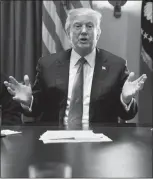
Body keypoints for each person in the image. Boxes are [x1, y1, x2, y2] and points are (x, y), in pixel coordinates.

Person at [4, 8, 147, 128]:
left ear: (98, 33)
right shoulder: (47, 64)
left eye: (90, 26)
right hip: (56, 138)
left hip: (100, 139)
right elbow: (36, 109)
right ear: (68, 33)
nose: (83, 31)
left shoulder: (116, 65)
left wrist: (126, 100)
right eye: (77, 26)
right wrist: (29, 101)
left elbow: (127, 114)